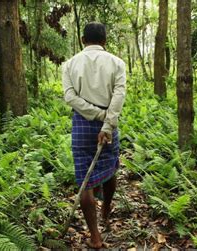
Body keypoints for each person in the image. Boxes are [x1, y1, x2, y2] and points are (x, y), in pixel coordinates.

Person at [62, 22, 126, 248]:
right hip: (107, 124)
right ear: (105, 41)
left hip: (81, 124)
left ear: (82, 40)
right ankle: (106, 209)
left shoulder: (69, 64)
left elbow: (70, 97)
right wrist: (106, 121)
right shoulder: (117, 63)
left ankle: (95, 236)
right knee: (110, 167)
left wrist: (95, 115)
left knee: (84, 179)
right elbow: (119, 95)